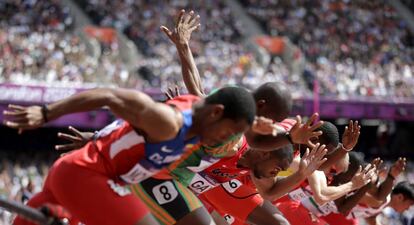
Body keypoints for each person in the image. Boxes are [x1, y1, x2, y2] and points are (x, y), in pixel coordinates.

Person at [4, 84, 257, 225]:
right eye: (230, 132)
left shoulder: (201, 119)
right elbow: (109, 95)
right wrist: (47, 113)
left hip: (78, 175)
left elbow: (125, 134)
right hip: (86, 175)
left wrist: (96, 138)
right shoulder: (169, 122)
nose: (227, 139)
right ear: (215, 113)